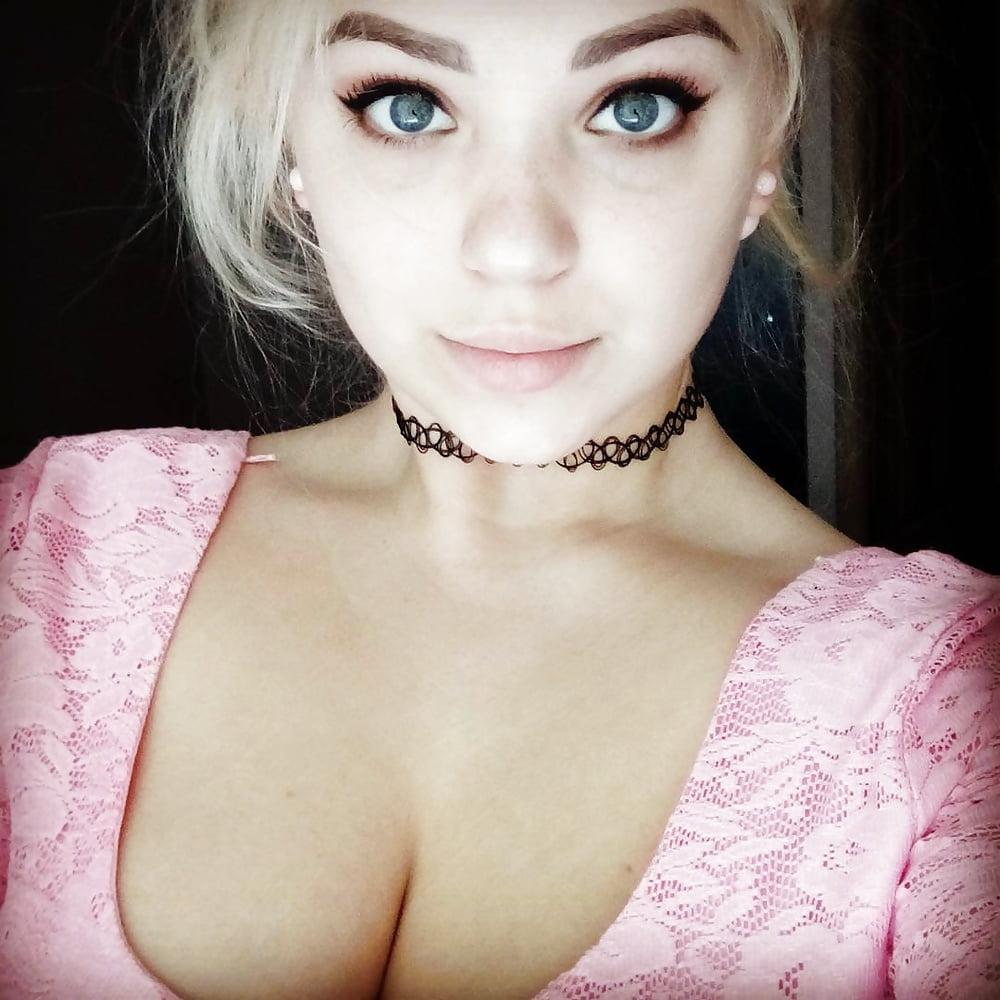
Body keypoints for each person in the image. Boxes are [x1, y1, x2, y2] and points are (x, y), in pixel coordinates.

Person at [1, 2, 997, 998]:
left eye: (637, 108)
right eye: (406, 106)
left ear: (766, 138)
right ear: (289, 132)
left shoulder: (954, 718)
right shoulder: (50, 549)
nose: (517, 249)